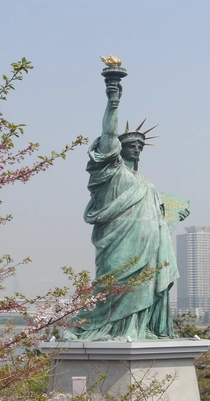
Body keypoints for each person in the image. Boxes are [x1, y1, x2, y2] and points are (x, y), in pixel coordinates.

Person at [63, 76, 189, 341]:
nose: (138, 149)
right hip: (119, 242)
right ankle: (104, 326)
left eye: (141, 146)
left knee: (143, 287)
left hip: (149, 246)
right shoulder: (112, 172)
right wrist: (113, 101)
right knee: (115, 285)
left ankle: (139, 329)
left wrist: (174, 217)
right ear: (118, 150)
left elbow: (157, 219)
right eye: (132, 145)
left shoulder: (148, 184)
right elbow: (109, 134)